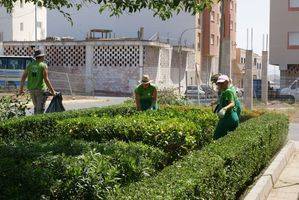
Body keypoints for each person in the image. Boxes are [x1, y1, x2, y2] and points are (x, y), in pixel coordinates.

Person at [19, 49, 56, 114]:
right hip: (40, 90)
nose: (44, 57)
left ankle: (35, 122)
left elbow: (23, 77)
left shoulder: (30, 65)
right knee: (40, 110)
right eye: (43, 56)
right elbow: (46, 79)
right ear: (41, 57)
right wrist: (52, 91)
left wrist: (21, 89)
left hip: (31, 90)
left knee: (36, 108)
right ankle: (38, 123)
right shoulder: (43, 65)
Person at [213, 75, 239, 140]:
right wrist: (214, 103)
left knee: (216, 137)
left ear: (227, 82)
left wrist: (225, 108)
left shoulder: (228, 91)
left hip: (228, 118)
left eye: (222, 83)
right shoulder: (225, 92)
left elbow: (232, 103)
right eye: (219, 83)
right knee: (229, 139)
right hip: (230, 118)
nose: (220, 85)